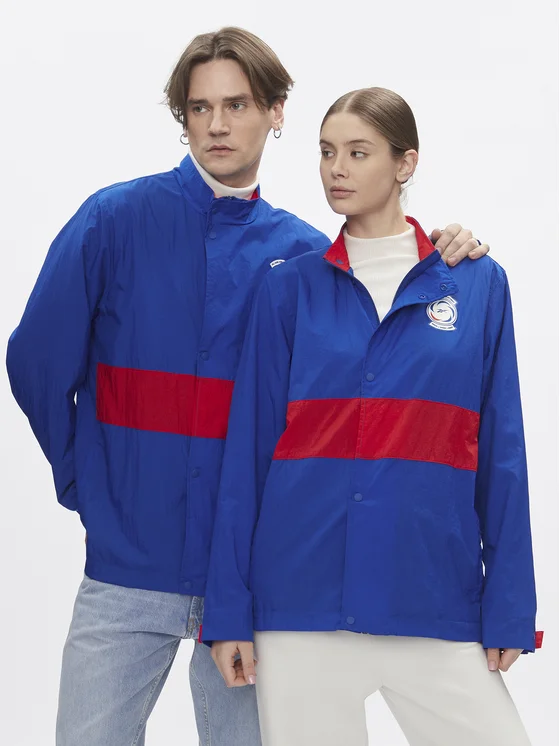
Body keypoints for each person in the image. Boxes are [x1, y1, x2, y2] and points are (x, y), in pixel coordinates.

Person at [6, 26, 488, 746]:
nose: (217, 125)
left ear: (275, 111)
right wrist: (89, 484)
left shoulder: (305, 257)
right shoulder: (114, 221)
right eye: (200, 108)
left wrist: (449, 252)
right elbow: (36, 361)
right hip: (125, 569)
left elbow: (368, 386)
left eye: (236, 105)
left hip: (252, 583)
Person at [204, 86, 541, 746]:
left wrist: (508, 605)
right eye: (327, 152)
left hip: (432, 598)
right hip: (301, 605)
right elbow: (247, 457)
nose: (337, 169)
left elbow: (502, 455)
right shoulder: (289, 289)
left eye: (358, 153)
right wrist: (228, 613)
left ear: (405, 163)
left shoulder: (476, 284)